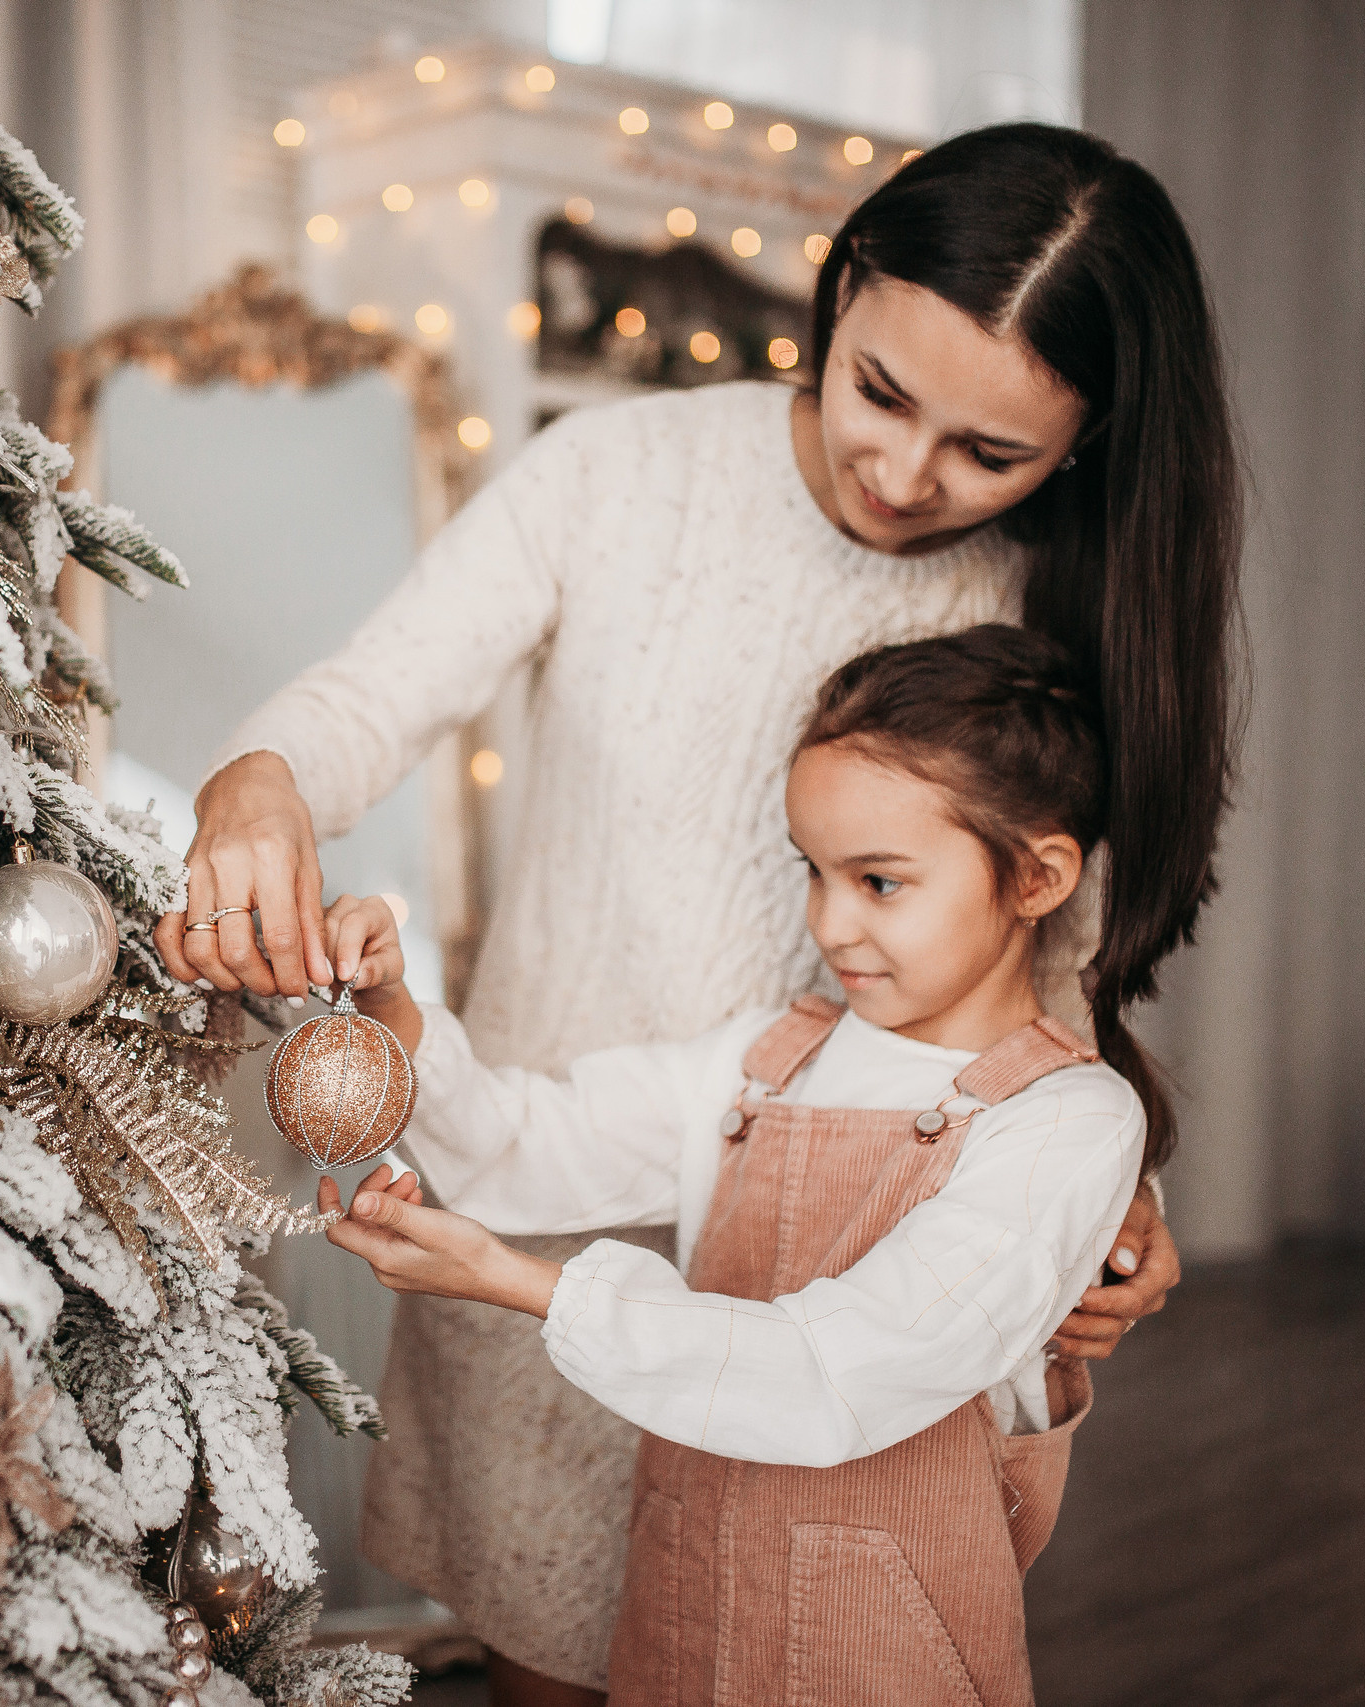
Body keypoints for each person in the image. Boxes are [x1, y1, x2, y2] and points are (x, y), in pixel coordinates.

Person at [158, 122, 1235, 1703]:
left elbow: (1045, 978)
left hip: (870, 1262)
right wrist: (257, 782)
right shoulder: (619, 472)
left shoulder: (1053, 594)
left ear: (1084, 444)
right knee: (557, 1650)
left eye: (989, 452)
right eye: (880, 389)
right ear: (843, 281)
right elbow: (376, 695)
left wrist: (1108, 1202)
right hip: (542, 1189)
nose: (904, 471)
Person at [321, 626, 1164, 1707]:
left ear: (1038, 875)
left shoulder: (1068, 1121)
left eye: (879, 881)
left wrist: (512, 1280)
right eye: (811, 873)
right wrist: (393, 1015)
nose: (830, 922)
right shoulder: (764, 1061)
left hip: (887, 1660)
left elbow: (834, 1375)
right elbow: (521, 1149)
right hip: (683, 1613)